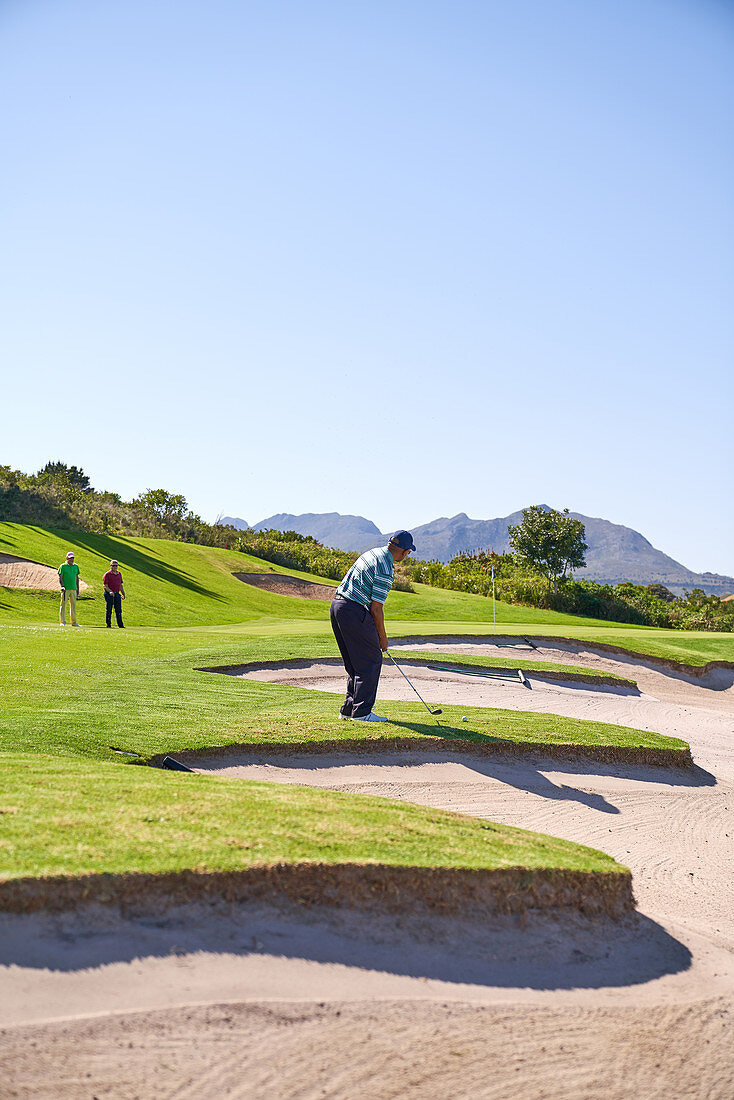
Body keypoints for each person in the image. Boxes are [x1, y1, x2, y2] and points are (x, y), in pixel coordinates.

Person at [330, 530, 416, 722]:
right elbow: (376, 609)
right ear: (403, 552)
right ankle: (362, 712)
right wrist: (382, 639)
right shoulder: (386, 569)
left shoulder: (372, 553)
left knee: (355, 662)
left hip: (337, 607)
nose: (407, 555)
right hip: (353, 610)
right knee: (371, 660)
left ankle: (349, 708)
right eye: (408, 552)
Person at [58, 551, 80, 626]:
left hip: (73, 588)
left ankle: (74, 622)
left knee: (73, 606)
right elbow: (60, 577)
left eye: (73, 558)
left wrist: (77, 589)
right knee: (63, 605)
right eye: (70, 558)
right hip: (65, 589)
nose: (72, 559)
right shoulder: (63, 566)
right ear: (67, 558)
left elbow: (77, 578)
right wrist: (62, 586)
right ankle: (62, 622)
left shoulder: (76, 566)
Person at [102, 559, 126, 628]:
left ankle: (120, 625)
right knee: (109, 609)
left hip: (117, 593)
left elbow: (120, 585)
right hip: (109, 594)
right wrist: (110, 591)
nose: (115, 567)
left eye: (116, 565)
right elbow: (105, 586)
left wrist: (123, 593)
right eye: (113, 565)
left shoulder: (119, 574)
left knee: (118, 610)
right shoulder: (107, 574)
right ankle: (108, 624)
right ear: (110, 566)